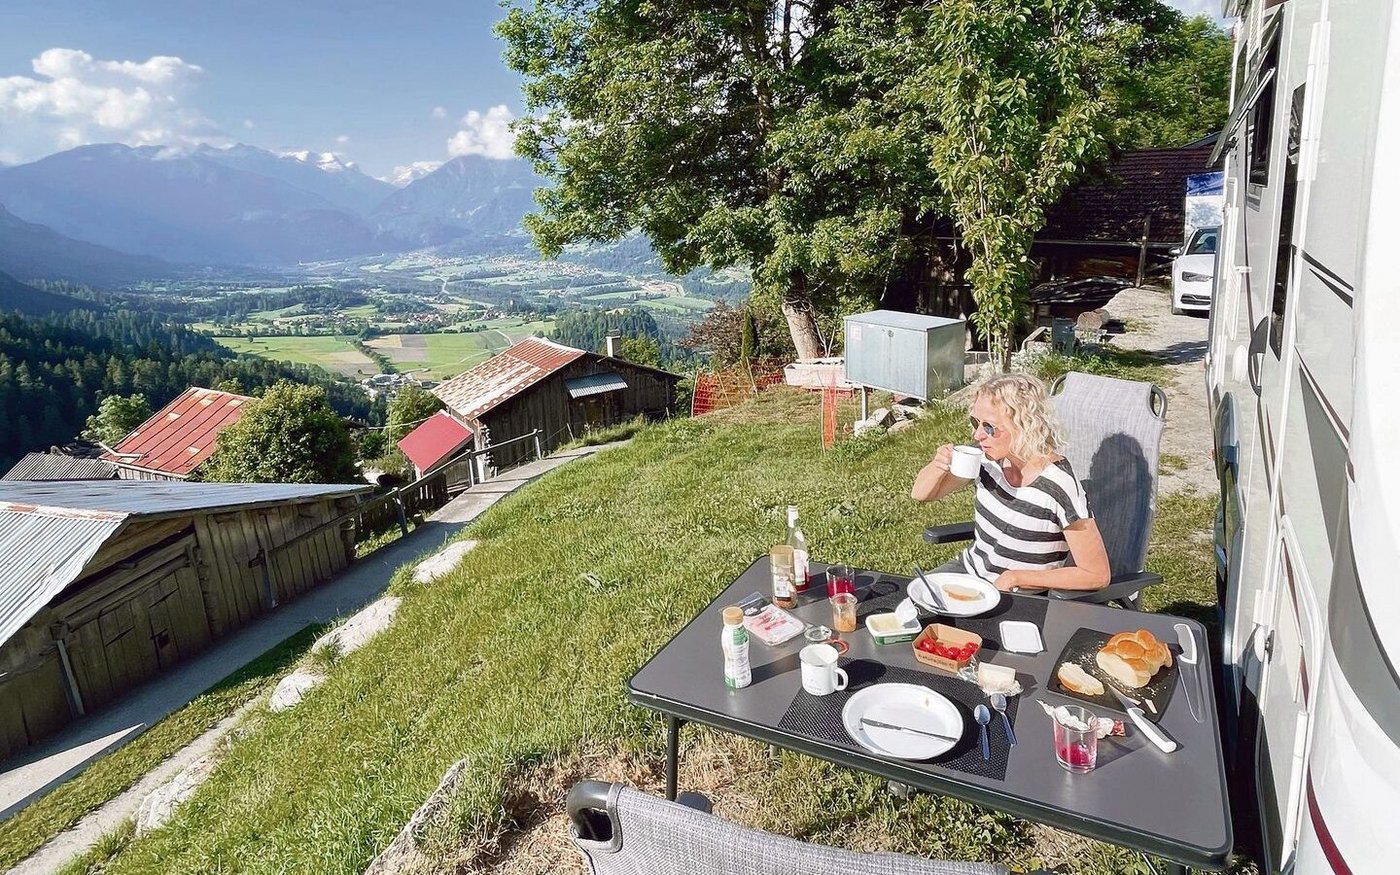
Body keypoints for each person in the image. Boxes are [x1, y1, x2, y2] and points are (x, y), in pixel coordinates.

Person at [911, 374, 1110, 593]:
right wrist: (938, 466)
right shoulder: (986, 459)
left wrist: (1014, 578)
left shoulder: (1058, 487)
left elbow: (1096, 574)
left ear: (1024, 425)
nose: (977, 435)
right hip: (971, 573)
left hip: (1018, 595)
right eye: (975, 423)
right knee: (907, 608)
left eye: (989, 427)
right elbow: (921, 494)